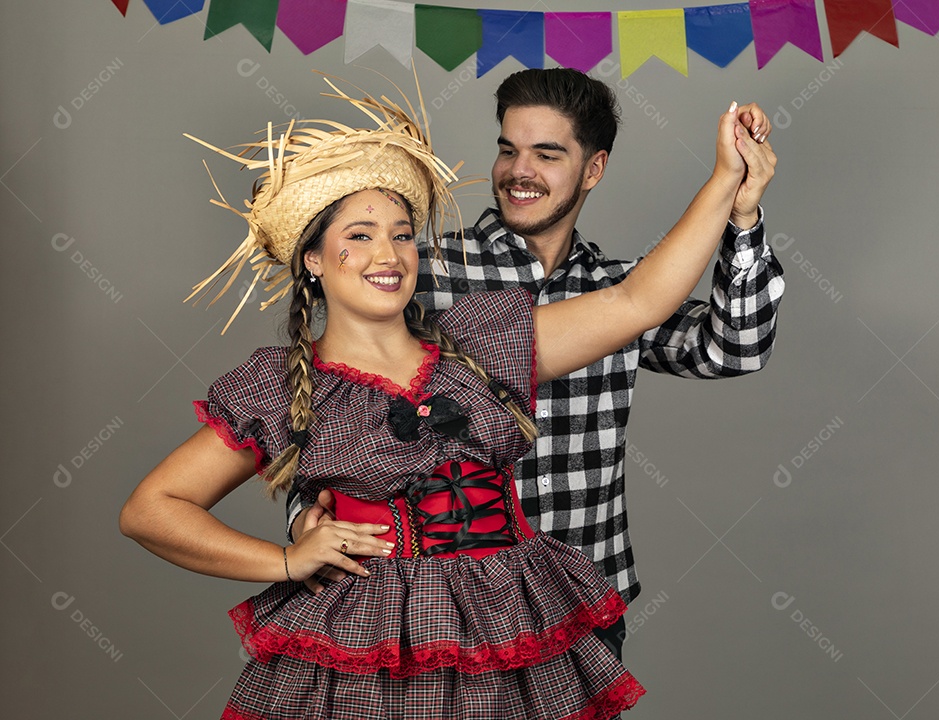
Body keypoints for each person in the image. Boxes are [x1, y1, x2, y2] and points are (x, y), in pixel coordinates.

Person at [119, 75, 776, 719]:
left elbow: (643, 302)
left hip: (535, 617)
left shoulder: (482, 342)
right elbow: (159, 508)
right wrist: (291, 555)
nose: (389, 252)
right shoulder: (290, 379)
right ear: (312, 258)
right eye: (359, 235)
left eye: (402, 233)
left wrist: (726, 182)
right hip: (374, 640)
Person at [289, 69, 784, 659]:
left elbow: (736, 347)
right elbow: (328, 418)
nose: (518, 171)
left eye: (546, 154)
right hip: (443, 610)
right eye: (508, 150)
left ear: (593, 169)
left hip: (584, 603)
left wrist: (743, 214)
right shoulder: (418, 271)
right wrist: (305, 523)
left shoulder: (620, 288)